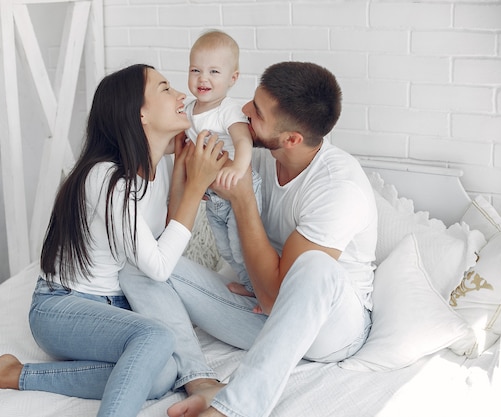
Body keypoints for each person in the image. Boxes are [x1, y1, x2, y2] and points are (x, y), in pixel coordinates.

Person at [0, 64, 227, 417]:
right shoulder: (105, 177)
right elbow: (158, 268)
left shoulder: (156, 170)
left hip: (111, 307)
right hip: (61, 308)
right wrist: (196, 188)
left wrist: (185, 175)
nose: (182, 94)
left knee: (163, 374)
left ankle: (16, 375)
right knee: (156, 338)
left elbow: (159, 245)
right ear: (140, 113)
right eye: (166, 89)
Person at [119, 61, 378, 417]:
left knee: (316, 266)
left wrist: (242, 199)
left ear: (291, 139)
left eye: (256, 113)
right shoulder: (251, 153)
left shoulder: (338, 187)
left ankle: (231, 410)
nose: (242, 112)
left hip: (332, 330)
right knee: (138, 268)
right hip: (263, 305)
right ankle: (199, 379)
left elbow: (276, 295)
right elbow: (267, 293)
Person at [184, 29, 262, 296]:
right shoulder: (188, 110)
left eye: (214, 72)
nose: (203, 78)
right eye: (196, 70)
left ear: (233, 78)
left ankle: (257, 287)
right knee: (226, 248)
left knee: (241, 245)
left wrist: (239, 169)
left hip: (237, 188)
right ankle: (248, 282)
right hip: (215, 196)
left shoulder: (228, 108)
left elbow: (243, 141)